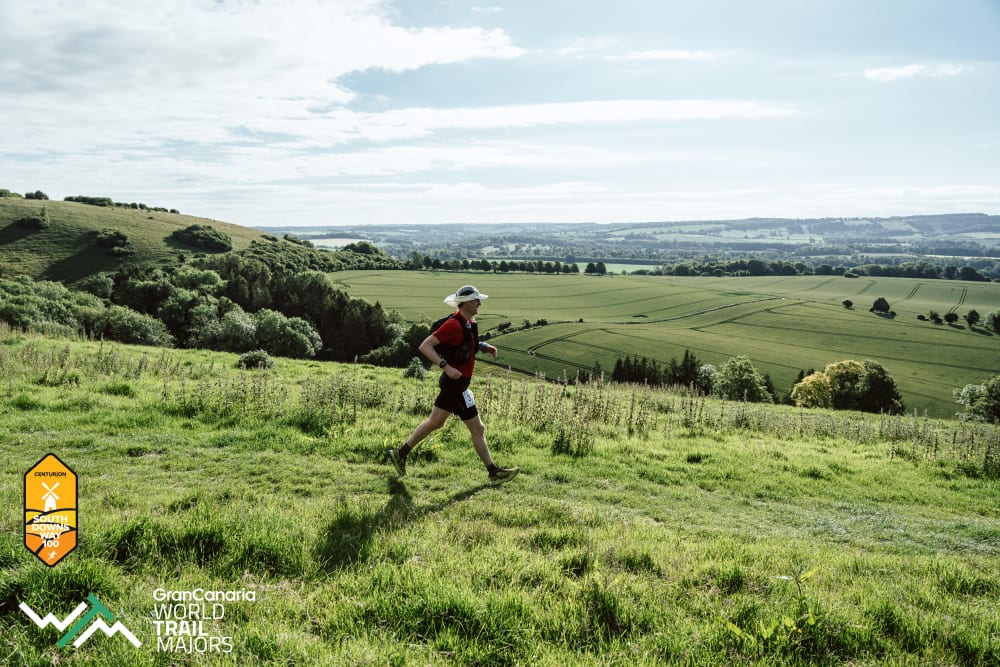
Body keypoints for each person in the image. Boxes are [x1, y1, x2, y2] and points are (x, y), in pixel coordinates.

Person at [389, 285, 520, 485]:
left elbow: (467, 344)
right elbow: (425, 346)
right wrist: (445, 366)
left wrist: (484, 347)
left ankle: (400, 454)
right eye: (476, 300)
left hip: (457, 385)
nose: (479, 303)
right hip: (456, 385)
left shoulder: (468, 323)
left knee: (435, 422)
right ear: (466, 303)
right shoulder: (453, 324)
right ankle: (493, 473)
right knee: (477, 428)